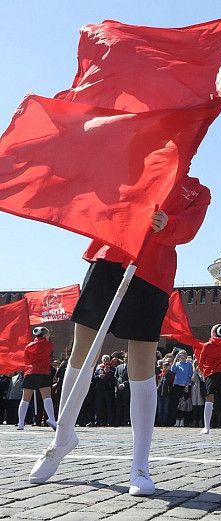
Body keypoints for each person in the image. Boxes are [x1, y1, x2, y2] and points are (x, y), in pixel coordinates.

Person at [29, 178, 210, 496]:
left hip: (153, 271)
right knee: (82, 348)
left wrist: (169, 224)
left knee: (142, 361)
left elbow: (188, 229)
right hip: (112, 255)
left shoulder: (197, 191)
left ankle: (140, 465)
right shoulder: (142, 167)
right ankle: (62, 439)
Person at [18, 327, 57, 431]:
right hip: (43, 373)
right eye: (47, 333)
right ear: (44, 335)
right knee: (47, 397)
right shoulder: (49, 345)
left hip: (30, 372)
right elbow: (50, 352)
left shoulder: (29, 346)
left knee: (25, 399)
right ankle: (52, 419)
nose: (49, 335)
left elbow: (26, 360)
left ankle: (21, 423)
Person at [170, 349, 194, 427]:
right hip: (177, 385)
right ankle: (177, 420)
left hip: (185, 385)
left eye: (183, 354)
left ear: (186, 356)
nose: (182, 356)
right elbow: (173, 370)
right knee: (176, 403)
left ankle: (182, 420)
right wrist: (175, 359)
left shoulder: (189, 364)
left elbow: (190, 375)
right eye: (180, 354)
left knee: (184, 404)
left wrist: (187, 384)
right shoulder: (177, 364)